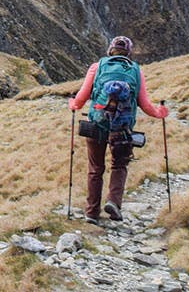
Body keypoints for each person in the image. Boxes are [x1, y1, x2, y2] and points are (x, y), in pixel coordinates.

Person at [68, 35, 169, 222]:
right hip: (122, 128)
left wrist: (73, 104)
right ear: (129, 52)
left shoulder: (97, 67)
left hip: (98, 123)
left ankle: (91, 213)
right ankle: (113, 202)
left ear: (110, 50)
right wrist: (159, 113)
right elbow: (145, 104)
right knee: (119, 164)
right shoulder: (135, 71)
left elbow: (81, 98)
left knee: (95, 168)